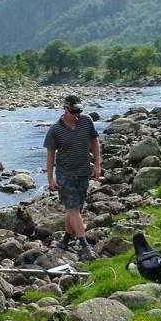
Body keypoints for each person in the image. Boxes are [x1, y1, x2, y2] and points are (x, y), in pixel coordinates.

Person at [45, 94, 101, 261]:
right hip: (65, 174)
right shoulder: (55, 130)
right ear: (65, 108)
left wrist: (97, 165)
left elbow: (95, 141)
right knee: (73, 209)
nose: (76, 115)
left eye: (79, 111)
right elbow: (50, 155)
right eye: (73, 111)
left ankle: (65, 241)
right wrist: (50, 178)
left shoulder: (86, 121)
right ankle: (85, 246)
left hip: (84, 172)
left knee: (76, 210)